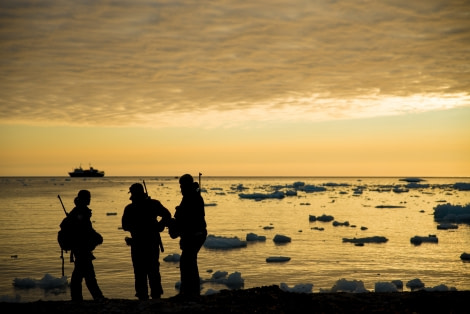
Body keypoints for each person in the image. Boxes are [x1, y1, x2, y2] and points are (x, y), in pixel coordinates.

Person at [121, 183, 172, 300]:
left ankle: (146, 295)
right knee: (150, 269)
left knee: (142, 270)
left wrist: (158, 226)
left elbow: (125, 226)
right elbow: (167, 215)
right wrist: (158, 226)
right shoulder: (152, 204)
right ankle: (153, 295)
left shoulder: (132, 208)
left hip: (143, 243)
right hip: (146, 242)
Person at [169, 173, 207, 298]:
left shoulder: (192, 197)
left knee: (187, 262)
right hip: (194, 234)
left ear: (187, 185)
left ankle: (189, 292)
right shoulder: (190, 196)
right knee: (188, 261)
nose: (181, 188)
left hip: (195, 234)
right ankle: (190, 291)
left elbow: (189, 219)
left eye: (182, 185)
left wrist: (177, 222)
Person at [68, 189, 105, 302]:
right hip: (81, 248)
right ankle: (96, 298)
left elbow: (86, 229)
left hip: (81, 248)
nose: (89, 200)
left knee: (80, 274)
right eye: (88, 198)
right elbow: (84, 230)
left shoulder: (80, 211)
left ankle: (78, 298)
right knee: (86, 275)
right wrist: (96, 237)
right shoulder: (80, 212)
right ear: (84, 199)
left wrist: (95, 237)